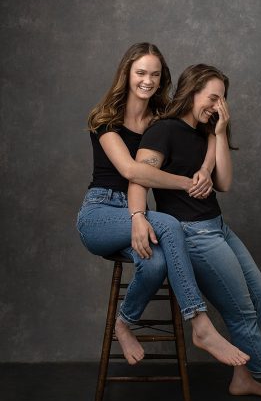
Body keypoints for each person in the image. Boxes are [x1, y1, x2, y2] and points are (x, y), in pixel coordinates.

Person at [128, 63, 261, 401]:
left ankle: (242, 377)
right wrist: (139, 218)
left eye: (222, 100)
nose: (217, 106)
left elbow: (224, 183)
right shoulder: (163, 131)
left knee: (259, 296)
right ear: (192, 92)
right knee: (242, 313)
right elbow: (140, 177)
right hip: (191, 233)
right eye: (213, 98)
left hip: (218, 227)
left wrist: (219, 133)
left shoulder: (206, 132)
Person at [76, 43, 249, 368]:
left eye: (155, 74)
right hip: (101, 213)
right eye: (141, 72)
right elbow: (131, 171)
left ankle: (123, 324)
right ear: (127, 74)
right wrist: (180, 187)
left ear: (162, 78)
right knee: (169, 223)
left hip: (136, 213)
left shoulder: (161, 118)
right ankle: (199, 323)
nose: (147, 80)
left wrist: (204, 169)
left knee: (155, 265)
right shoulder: (104, 118)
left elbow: (207, 132)